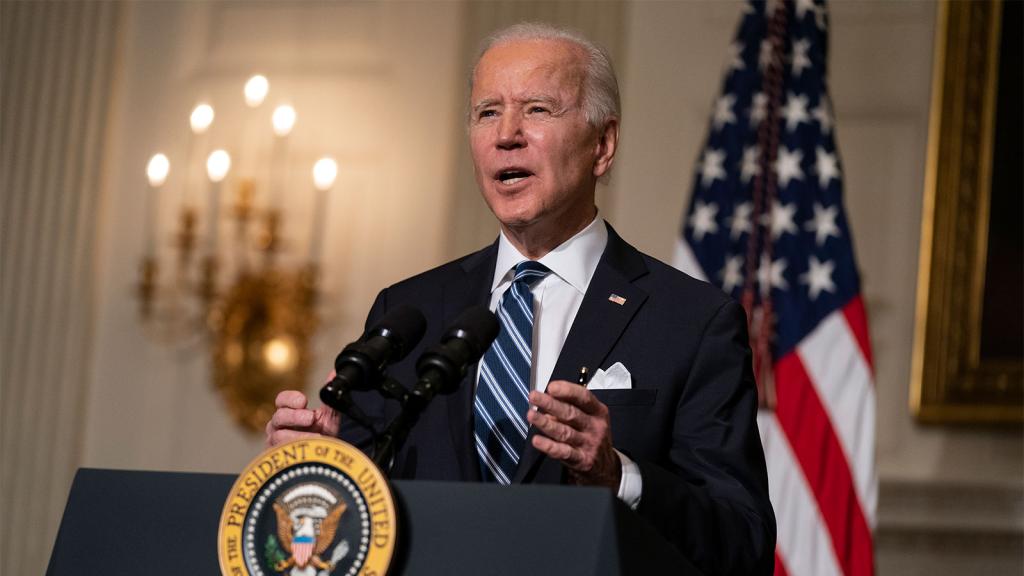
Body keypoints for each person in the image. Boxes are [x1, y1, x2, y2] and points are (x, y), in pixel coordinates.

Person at [266, 23, 775, 575]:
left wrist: (618, 475)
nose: (506, 134)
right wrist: (324, 466)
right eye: (487, 112)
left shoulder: (692, 322)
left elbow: (742, 541)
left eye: (537, 110)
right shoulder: (409, 311)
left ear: (602, 146)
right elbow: (359, 527)